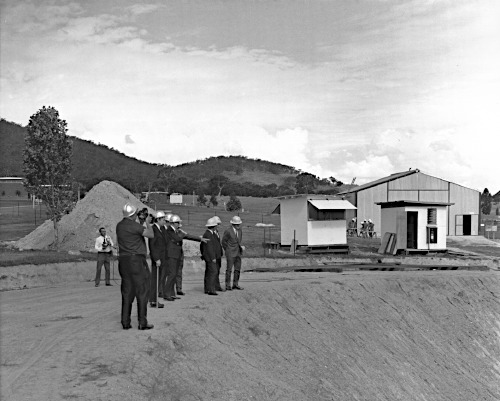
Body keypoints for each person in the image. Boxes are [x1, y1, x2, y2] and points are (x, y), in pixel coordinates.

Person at [116, 203, 155, 330]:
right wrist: (147, 222)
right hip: (136, 260)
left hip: (123, 261)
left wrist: (140, 221)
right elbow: (150, 234)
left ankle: (125, 321)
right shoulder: (135, 226)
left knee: (127, 291)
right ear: (133, 215)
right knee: (142, 291)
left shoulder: (119, 226)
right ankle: (142, 322)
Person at [163, 214, 208, 301]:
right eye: (178, 223)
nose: (179, 224)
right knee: (171, 274)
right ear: (173, 223)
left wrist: (200, 239)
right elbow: (177, 238)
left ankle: (172, 293)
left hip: (177, 254)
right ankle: (167, 294)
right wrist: (182, 234)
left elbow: (188, 236)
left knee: (175, 274)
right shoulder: (169, 231)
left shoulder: (177, 231)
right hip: (171, 255)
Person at [148, 211, 167, 309]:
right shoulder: (153, 229)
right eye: (163, 219)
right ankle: (153, 300)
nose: (164, 221)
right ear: (158, 219)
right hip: (157, 259)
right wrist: (156, 259)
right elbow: (152, 246)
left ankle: (154, 300)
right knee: (155, 279)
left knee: (158, 279)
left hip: (162, 258)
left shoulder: (161, 229)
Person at [222, 216, 245, 291]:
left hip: (238, 252)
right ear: (233, 224)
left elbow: (239, 241)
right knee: (229, 270)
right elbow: (223, 242)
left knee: (237, 269)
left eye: (239, 224)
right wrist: (228, 250)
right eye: (236, 224)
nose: (238, 226)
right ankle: (228, 285)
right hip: (230, 253)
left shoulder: (240, 231)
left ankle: (235, 284)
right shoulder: (228, 231)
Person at [200, 217, 220, 295]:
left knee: (209, 272)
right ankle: (211, 289)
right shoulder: (208, 234)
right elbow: (209, 248)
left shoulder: (210, 234)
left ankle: (207, 288)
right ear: (214, 226)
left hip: (210, 257)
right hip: (210, 258)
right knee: (213, 272)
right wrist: (213, 258)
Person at [212, 216, 224, 292]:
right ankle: (213, 286)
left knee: (217, 271)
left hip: (218, 255)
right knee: (214, 271)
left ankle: (217, 286)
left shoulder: (217, 233)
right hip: (214, 256)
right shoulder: (211, 233)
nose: (219, 226)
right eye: (218, 224)